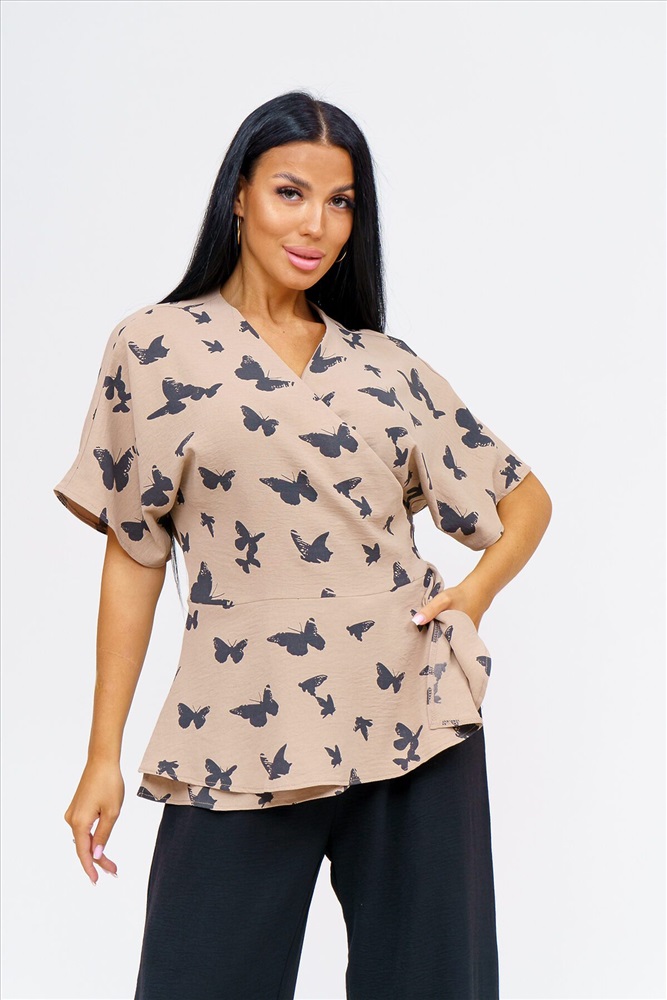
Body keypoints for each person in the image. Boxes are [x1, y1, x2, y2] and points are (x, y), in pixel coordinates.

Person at [53, 90, 552, 1000]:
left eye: (340, 202)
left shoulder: (386, 365)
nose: (316, 224)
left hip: (412, 718)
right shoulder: (154, 348)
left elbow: (525, 499)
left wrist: (473, 596)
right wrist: (102, 755)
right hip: (238, 726)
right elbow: (133, 551)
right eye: (291, 192)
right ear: (238, 196)